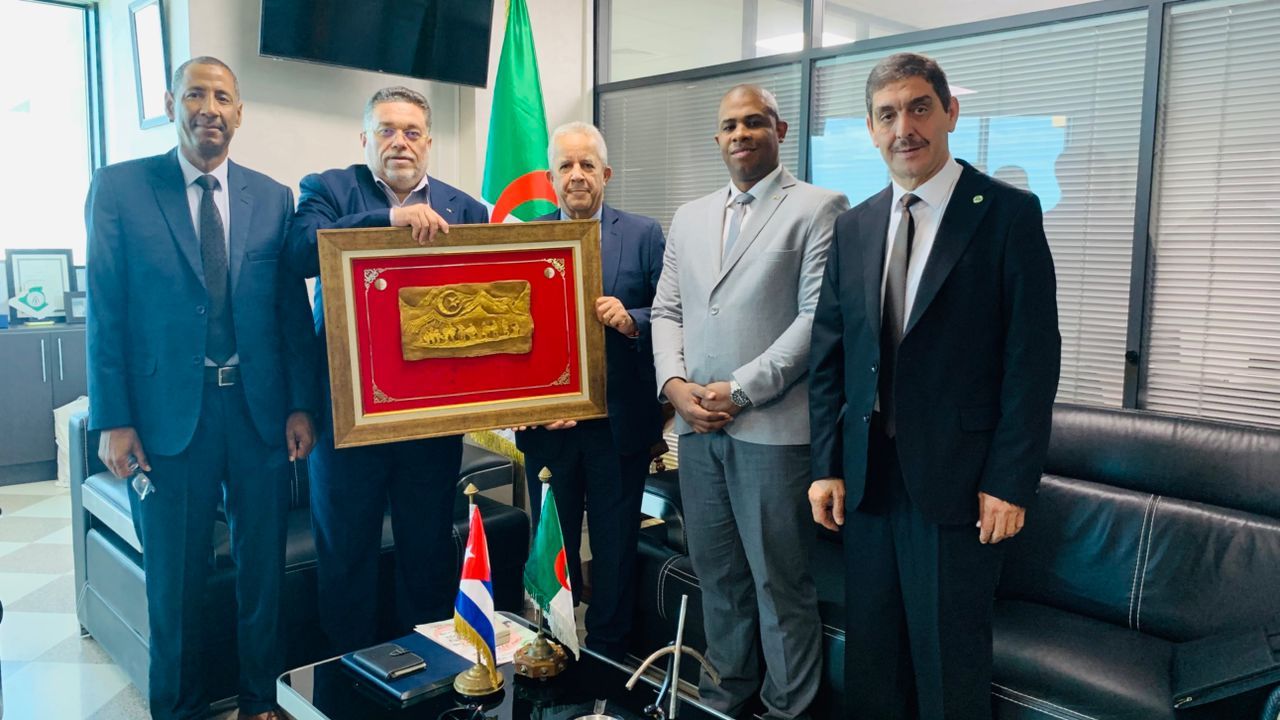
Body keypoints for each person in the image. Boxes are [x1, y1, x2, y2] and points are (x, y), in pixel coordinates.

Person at [807, 52, 1060, 719]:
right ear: (870, 129)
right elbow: (830, 356)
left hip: (960, 484)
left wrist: (1011, 480)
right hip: (867, 483)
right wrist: (825, 465)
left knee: (949, 668)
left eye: (919, 107)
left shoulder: (1006, 213)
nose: (904, 128)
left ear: (950, 112)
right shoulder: (855, 225)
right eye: (887, 115)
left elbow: (1032, 361)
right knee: (873, 664)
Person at [86, 56, 317, 720]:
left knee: (262, 573)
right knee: (175, 582)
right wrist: (113, 419)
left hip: (257, 413)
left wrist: (300, 404)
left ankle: (260, 700)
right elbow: (106, 310)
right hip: (166, 420)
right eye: (195, 94)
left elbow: (289, 311)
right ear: (171, 104)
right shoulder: (120, 188)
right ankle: (179, 709)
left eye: (222, 97)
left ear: (240, 113)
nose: (208, 108)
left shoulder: (271, 197)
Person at [651, 84, 849, 719]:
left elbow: (817, 318)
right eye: (730, 125)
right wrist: (673, 386)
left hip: (772, 431)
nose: (741, 134)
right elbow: (667, 310)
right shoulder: (689, 216)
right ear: (717, 137)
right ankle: (724, 701)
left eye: (754, 122)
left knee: (778, 586)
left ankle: (789, 710)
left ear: (779, 130)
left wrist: (739, 389)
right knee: (718, 581)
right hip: (696, 432)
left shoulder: (819, 207)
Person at [288, 86, 488, 655]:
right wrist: (391, 218)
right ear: (365, 138)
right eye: (386, 130)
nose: (400, 142)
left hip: (430, 417)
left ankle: (426, 668)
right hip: (348, 415)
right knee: (345, 553)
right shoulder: (328, 190)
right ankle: (347, 673)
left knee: (426, 554)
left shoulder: (467, 210)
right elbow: (300, 250)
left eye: (412, 132)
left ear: (429, 142)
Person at [515, 121, 665, 661]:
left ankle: (608, 658)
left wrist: (632, 319)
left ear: (606, 173)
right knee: (551, 546)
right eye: (565, 166)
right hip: (549, 427)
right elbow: (508, 332)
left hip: (617, 428)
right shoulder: (524, 237)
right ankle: (553, 650)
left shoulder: (644, 234)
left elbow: (672, 313)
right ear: (550, 178)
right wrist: (528, 405)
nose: (576, 175)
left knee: (614, 546)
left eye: (587, 165)